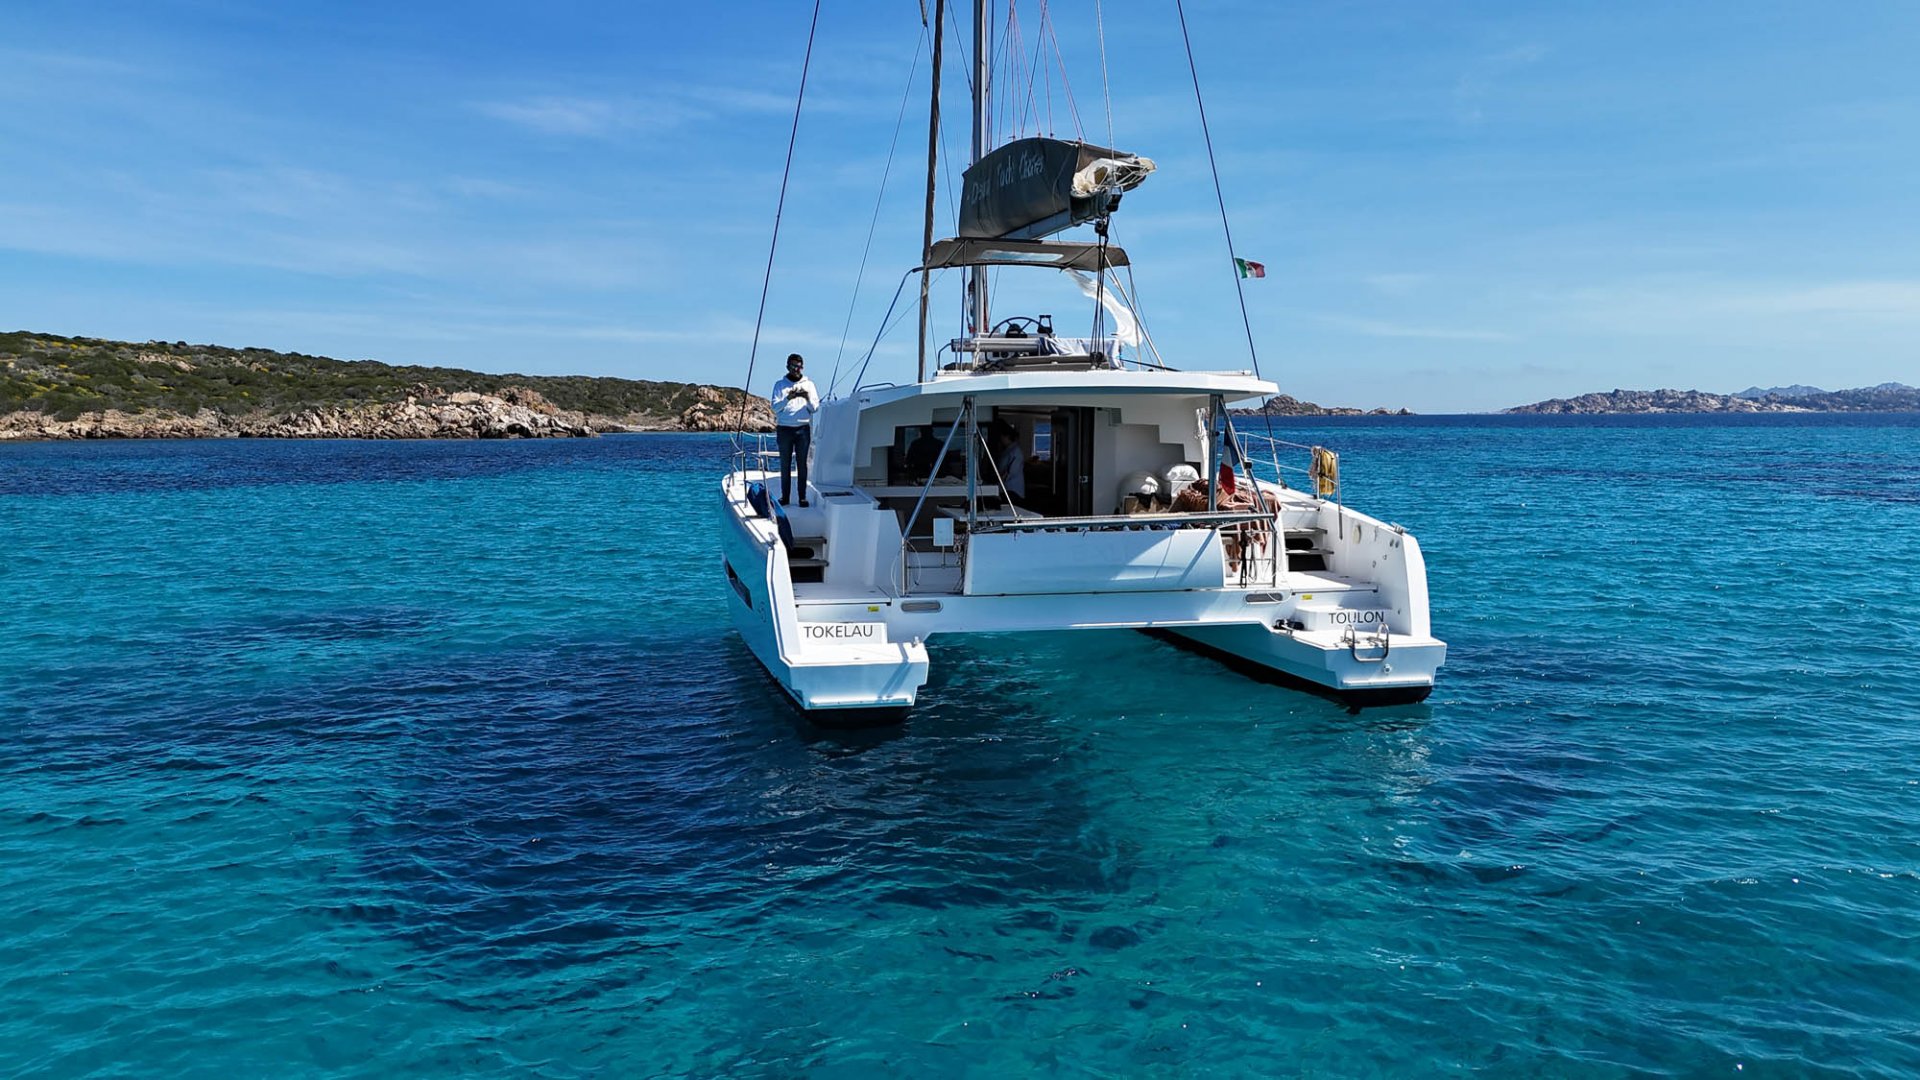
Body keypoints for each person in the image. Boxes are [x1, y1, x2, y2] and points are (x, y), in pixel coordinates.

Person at [770, 353, 818, 506]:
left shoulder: (809, 385)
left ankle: (802, 497)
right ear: (787, 367)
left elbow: (814, 408)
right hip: (784, 429)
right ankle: (785, 497)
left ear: (802, 367)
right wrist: (788, 398)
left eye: (798, 366)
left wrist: (806, 397)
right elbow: (775, 408)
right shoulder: (779, 385)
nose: (796, 369)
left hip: (802, 429)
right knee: (785, 464)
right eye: (793, 366)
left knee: (801, 464)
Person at [987, 420, 1026, 500]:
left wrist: (997, 484)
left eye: (1002, 437)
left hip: (1013, 491)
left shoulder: (1015, 451)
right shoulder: (1007, 450)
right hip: (1005, 489)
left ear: (1007, 436)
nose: (1000, 439)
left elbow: (1010, 472)